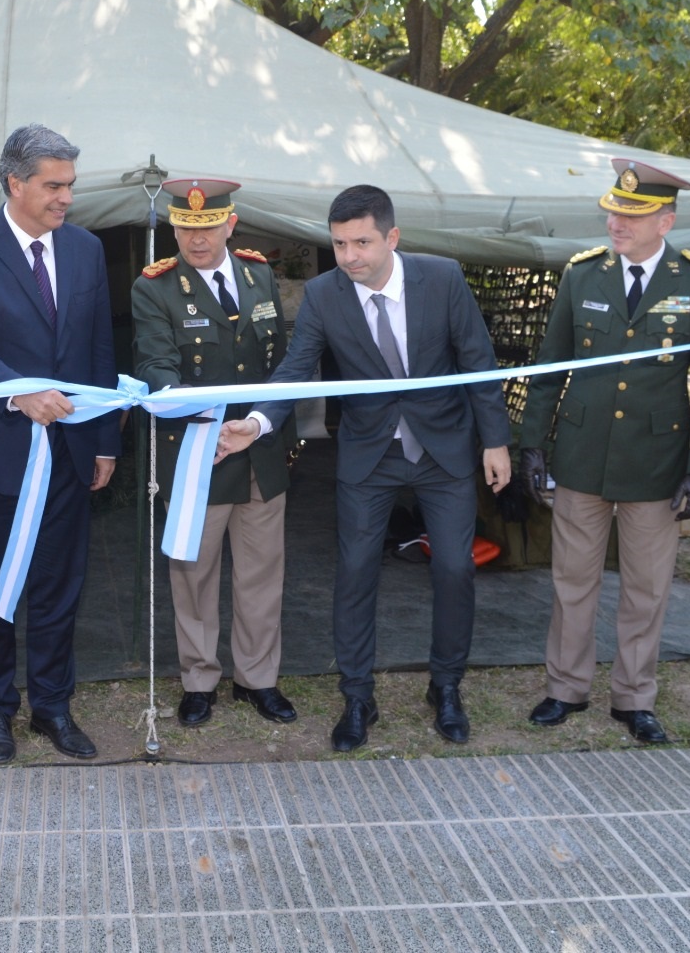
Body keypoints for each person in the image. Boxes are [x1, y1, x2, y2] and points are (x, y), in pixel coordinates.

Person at [216, 184, 512, 750]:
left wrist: (494, 442)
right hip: (369, 455)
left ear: (392, 238)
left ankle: (446, 687)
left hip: (444, 452)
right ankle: (357, 696)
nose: (350, 256)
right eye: (339, 244)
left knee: (454, 568)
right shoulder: (326, 295)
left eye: (362, 242)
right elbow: (297, 366)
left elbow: (478, 359)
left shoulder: (443, 278)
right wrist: (255, 423)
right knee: (355, 572)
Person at [518, 159, 690, 744]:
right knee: (572, 580)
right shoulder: (582, 276)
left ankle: (635, 698)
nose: (616, 223)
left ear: (666, 221)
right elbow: (548, 369)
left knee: (646, 586)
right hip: (583, 453)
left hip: (657, 462)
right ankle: (565, 687)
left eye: (632, 215)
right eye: (613, 211)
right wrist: (532, 443)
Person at [0, 124, 120, 763]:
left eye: (70, 184)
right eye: (53, 185)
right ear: (14, 183)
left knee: (58, 585)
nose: (66, 197)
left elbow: (98, 346)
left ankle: (53, 708)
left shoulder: (86, 250)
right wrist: (18, 392)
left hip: (69, 453)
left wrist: (103, 440)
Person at [130, 178, 297, 728]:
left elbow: (280, 366)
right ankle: (199, 679)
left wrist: (255, 425)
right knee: (194, 574)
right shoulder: (154, 288)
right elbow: (156, 367)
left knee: (260, 573)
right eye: (184, 228)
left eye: (205, 228)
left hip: (260, 450)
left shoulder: (260, 274)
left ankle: (257, 679)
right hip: (198, 453)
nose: (194, 240)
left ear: (230, 224)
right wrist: (204, 419)